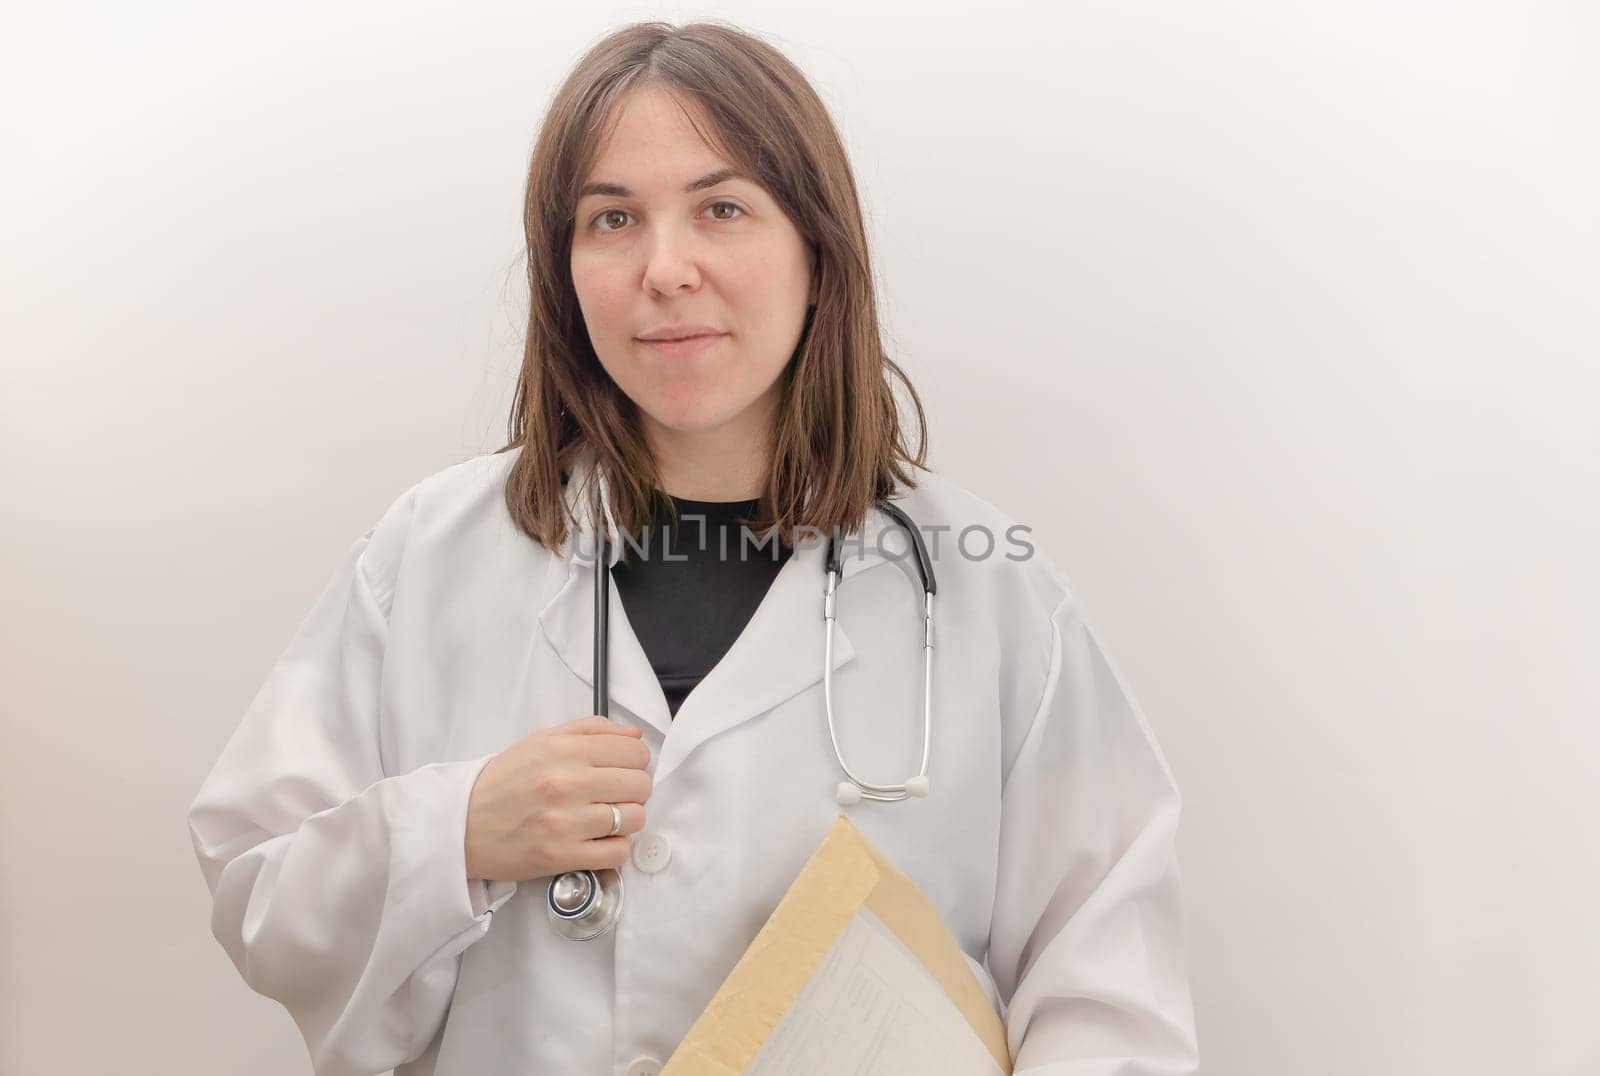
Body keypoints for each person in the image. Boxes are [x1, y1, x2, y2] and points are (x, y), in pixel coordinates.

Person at [186, 19, 1199, 1076]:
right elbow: (257, 888)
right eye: (611, 218)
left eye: (721, 208)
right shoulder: (430, 554)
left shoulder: (988, 588)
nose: (664, 269)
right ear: (563, 268)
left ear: (818, 250)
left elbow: (1107, 991)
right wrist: (457, 833)